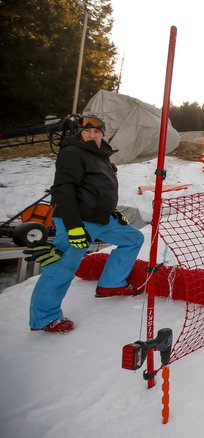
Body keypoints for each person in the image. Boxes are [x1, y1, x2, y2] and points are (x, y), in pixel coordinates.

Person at [28, 114, 145, 333]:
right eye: (87, 131)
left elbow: (97, 189)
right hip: (78, 219)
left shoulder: (101, 155)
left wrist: (112, 212)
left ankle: (110, 284)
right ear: (80, 133)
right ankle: (44, 317)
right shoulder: (72, 153)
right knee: (63, 265)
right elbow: (64, 190)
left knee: (133, 238)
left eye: (97, 131)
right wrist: (73, 227)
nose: (92, 135)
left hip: (101, 217)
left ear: (102, 134)